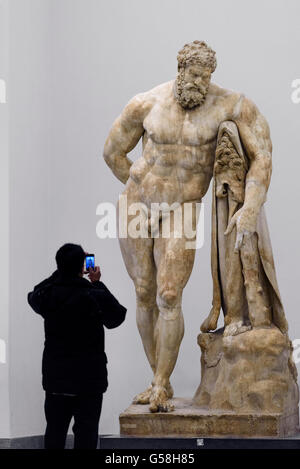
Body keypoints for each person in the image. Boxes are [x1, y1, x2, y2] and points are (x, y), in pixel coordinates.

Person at [103, 40, 273, 412]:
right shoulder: (146, 103)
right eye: (194, 74)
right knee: (145, 292)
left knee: (168, 295)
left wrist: (252, 204)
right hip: (137, 204)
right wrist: (139, 186)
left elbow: (263, 154)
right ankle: (154, 378)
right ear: (180, 69)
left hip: (182, 210)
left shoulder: (230, 105)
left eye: (207, 76)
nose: (201, 82)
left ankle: (162, 385)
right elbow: (112, 151)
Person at [27, 243, 127, 449]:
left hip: (57, 381)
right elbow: (117, 316)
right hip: (89, 381)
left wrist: (62, 272)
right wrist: (97, 282)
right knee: (87, 435)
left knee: (54, 432)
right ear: (83, 266)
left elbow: (34, 294)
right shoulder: (93, 295)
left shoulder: (49, 295)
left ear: (59, 266)